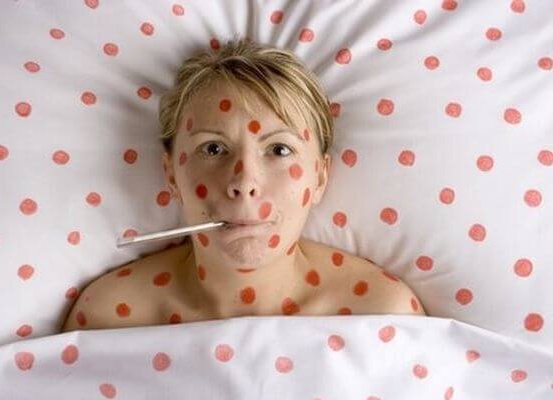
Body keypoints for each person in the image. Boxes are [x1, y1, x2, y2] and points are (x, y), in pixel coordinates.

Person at [61, 35, 425, 332]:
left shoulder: (381, 314)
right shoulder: (109, 317)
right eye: (213, 148)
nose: (245, 181)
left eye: (279, 150)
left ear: (319, 176)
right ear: (171, 173)